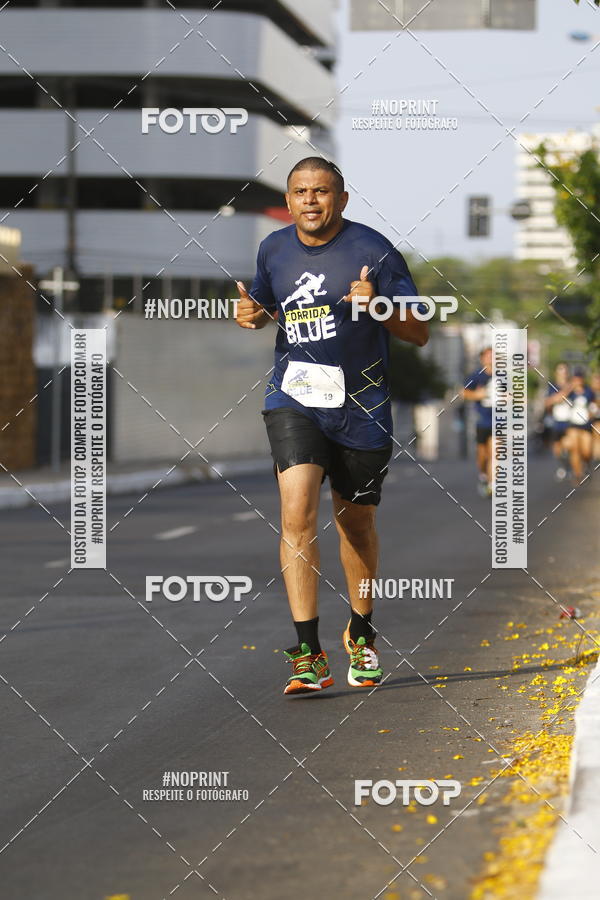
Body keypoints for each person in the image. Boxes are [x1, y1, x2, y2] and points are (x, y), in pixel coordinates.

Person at [235, 157, 428, 695]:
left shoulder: (374, 250)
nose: (310, 201)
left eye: (321, 192)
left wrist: (380, 305)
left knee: (355, 524)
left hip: (362, 404)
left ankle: (361, 632)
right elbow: (264, 307)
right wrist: (251, 314)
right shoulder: (273, 249)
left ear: (341, 199)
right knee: (296, 513)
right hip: (294, 396)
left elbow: (419, 332)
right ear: (289, 199)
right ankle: (308, 654)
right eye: (300, 192)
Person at [463, 347, 494, 497]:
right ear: (482, 359)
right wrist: (478, 394)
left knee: (495, 453)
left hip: (499, 421)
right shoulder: (476, 376)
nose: (492, 359)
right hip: (482, 421)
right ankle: (483, 474)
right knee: (483, 454)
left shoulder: (503, 376)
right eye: (488, 356)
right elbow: (464, 393)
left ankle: (493, 484)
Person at [564, 367, 597, 483]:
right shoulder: (569, 392)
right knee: (575, 449)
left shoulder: (589, 391)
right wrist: (569, 389)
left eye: (579, 378)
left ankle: (586, 463)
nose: (577, 381)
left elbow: (594, 405)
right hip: (573, 424)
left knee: (587, 451)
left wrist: (592, 413)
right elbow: (561, 399)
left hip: (586, 425)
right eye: (575, 379)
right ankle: (577, 474)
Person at [544, 362, 572, 480]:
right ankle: (564, 467)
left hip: (569, 421)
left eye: (564, 370)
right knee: (557, 450)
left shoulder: (573, 385)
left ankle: (572, 468)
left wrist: (557, 398)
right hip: (556, 422)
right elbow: (547, 402)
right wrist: (560, 396)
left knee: (568, 446)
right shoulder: (552, 386)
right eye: (560, 370)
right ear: (556, 372)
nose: (563, 373)